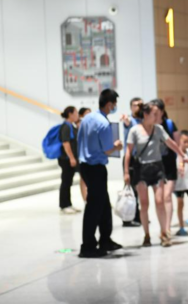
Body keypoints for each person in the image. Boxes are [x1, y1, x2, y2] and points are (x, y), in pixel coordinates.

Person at [124, 101, 188, 247]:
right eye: (154, 114)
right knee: (144, 203)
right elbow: (128, 152)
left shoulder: (159, 129)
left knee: (159, 201)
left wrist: (182, 155)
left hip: (157, 167)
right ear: (146, 115)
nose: (157, 116)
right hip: (141, 169)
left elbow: (171, 143)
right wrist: (126, 172)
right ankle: (146, 235)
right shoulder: (134, 130)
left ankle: (163, 233)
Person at [77, 89, 123, 258]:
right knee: (94, 207)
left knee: (103, 204)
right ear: (110, 104)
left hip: (85, 166)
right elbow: (107, 150)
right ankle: (87, 246)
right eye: (115, 104)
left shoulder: (87, 118)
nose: (115, 107)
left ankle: (105, 240)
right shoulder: (103, 124)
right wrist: (117, 146)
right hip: (96, 167)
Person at [153, 99, 180, 238]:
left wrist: (181, 160)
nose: (154, 114)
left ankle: (167, 228)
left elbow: (177, 144)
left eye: (156, 111)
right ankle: (163, 227)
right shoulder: (149, 126)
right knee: (159, 199)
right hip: (156, 166)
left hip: (169, 166)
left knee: (167, 196)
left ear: (162, 112)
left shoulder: (169, 124)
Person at [121, 97, 143, 227]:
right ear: (131, 107)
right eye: (135, 105)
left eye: (140, 105)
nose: (138, 107)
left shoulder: (144, 120)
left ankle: (138, 216)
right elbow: (127, 121)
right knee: (130, 190)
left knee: (140, 189)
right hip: (130, 159)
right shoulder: (129, 120)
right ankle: (128, 218)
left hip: (141, 160)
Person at [58, 106, 84, 214]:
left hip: (70, 159)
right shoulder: (66, 127)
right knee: (66, 181)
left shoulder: (71, 126)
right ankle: (64, 205)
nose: (77, 115)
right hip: (66, 159)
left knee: (69, 181)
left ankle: (68, 204)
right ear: (70, 113)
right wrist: (72, 158)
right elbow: (66, 143)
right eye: (76, 113)